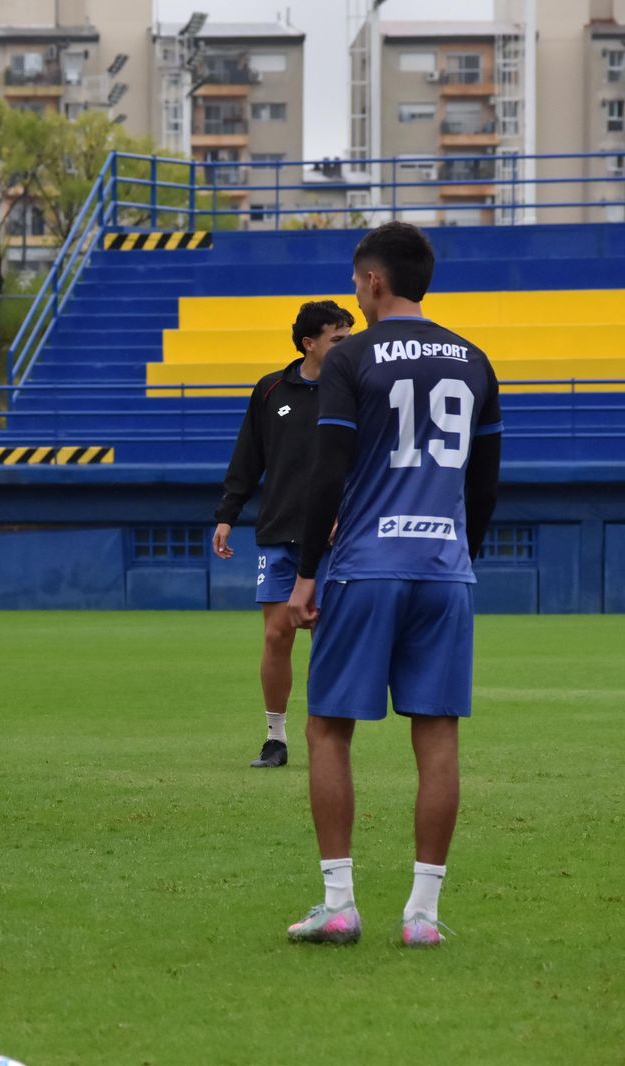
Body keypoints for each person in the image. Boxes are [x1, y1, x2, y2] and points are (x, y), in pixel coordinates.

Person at [285, 222, 502, 948]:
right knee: (437, 736)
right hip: (444, 570)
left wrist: (307, 573)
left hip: (367, 567)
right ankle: (423, 916)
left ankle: (340, 904)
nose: (355, 290)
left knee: (327, 729)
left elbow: (328, 474)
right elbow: (485, 482)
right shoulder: (474, 360)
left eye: (356, 280)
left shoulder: (351, 357)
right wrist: (459, 554)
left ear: (373, 281)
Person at [213, 300, 353, 769]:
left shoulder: (360, 390)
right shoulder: (270, 389)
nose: (347, 346)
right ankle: (275, 737)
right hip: (279, 533)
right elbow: (248, 458)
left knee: (327, 637)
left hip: (339, 538)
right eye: (338, 338)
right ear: (309, 343)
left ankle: (325, 734)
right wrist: (228, 513)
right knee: (277, 635)